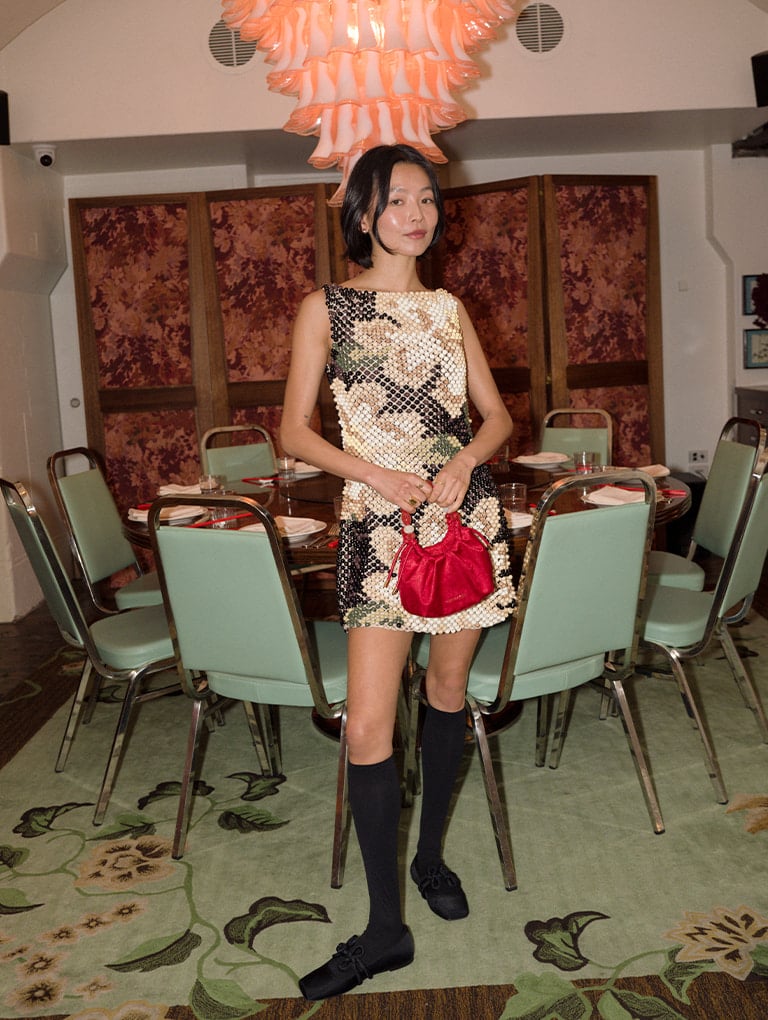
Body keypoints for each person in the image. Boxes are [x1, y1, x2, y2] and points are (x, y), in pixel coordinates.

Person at [280, 143, 516, 1001]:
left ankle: (431, 858)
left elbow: (497, 417)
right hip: (378, 527)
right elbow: (292, 431)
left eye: (427, 199)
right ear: (364, 214)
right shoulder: (326, 307)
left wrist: (465, 462)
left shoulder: (451, 309)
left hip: (461, 519)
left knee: (447, 693)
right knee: (369, 728)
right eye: (396, 201)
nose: (416, 215)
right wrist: (373, 473)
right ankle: (386, 932)